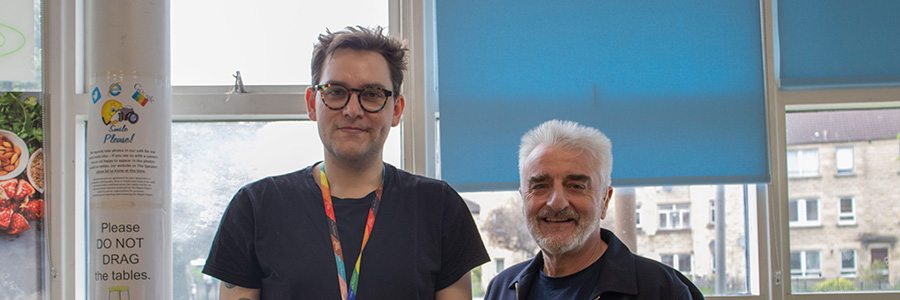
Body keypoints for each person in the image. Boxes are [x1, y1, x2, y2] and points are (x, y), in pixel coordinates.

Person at [203, 26, 490, 300]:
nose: (353, 110)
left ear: (397, 110)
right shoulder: (254, 208)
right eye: (336, 91)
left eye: (372, 94)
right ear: (312, 103)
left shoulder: (440, 208)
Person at [484, 120, 704, 300]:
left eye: (576, 186)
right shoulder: (502, 290)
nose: (557, 203)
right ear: (524, 201)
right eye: (540, 186)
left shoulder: (663, 291)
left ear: (604, 201)